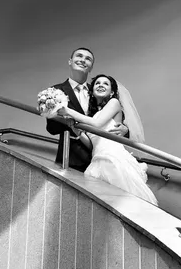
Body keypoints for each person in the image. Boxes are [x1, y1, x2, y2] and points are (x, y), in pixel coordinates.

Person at [58, 74, 158, 206]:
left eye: (105, 84)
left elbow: (97, 123)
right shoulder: (93, 114)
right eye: (97, 83)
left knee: (124, 202)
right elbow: (92, 144)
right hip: (97, 159)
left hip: (113, 158)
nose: (100, 85)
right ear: (92, 91)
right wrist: (76, 130)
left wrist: (68, 111)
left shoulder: (114, 103)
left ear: (112, 92)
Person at [45, 47, 129, 172]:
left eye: (88, 59)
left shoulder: (98, 92)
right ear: (70, 61)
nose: (83, 60)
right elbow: (51, 128)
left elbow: (113, 120)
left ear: (91, 67)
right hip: (70, 158)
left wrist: (125, 130)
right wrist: (67, 122)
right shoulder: (56, 92)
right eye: (79, 56)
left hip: (100, 157)